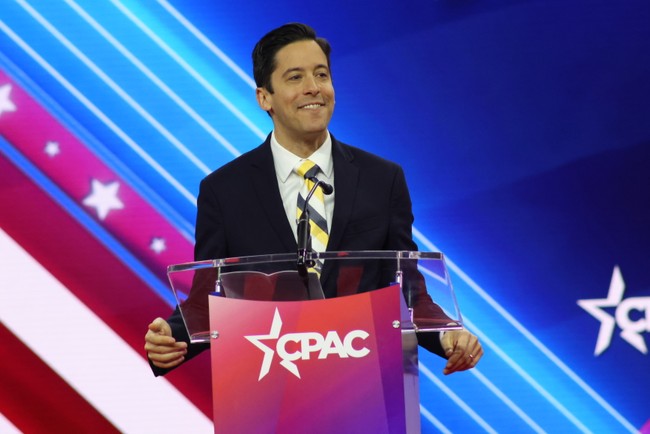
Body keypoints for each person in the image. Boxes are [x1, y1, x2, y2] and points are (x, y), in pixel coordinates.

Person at [144, 23, 483, 377]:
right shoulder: (224, 191)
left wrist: (447, 333)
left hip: (365, 383)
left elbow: (409, 290)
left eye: (321, 74)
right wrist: (171, 337)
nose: (313, 87)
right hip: (267, 386)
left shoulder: (383, 180)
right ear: (264, 98)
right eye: (295, 77)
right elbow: (207, 299)